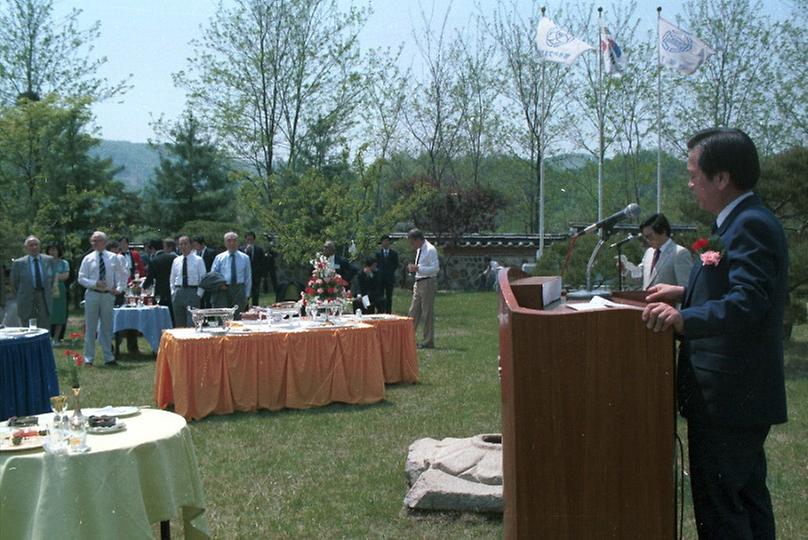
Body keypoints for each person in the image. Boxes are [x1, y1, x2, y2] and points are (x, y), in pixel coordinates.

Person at [642, 128, 787, 540]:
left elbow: (749, 302)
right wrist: (684, 292)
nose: (690, 185)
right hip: (733, 398)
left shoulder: (750, 225)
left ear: (721, 177)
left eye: (693, 175)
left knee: (723, 509)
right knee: (746, 499)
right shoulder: (736, 221)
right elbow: (725, 282)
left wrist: (684, 319)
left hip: (729, 398)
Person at [78, 231, 125, 366]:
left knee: (107, 327)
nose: (95, 243)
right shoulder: (88, 258)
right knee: (90, 327)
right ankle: (88, 358)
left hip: (108, 295)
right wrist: (95, 283)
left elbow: (122, 274)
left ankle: (108, 357)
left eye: (97, 240)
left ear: (104, 242)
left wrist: (120, 288)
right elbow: (81, 278)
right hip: (92, 294)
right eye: (93, 241)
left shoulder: (113, 258)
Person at [638, 213, 693, 290]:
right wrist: (625, 270)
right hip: (646, 301)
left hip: (668, 301)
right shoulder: (649, 253)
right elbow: (640, 277)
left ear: (662, 231)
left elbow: (686, 288)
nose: (647, 240)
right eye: (645, 237)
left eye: (649, 236)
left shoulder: (680, 253)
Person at [10, 236, 55, 329]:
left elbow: (52, 279)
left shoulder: (49, 260)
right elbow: (14, 283)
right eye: (31, 245)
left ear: (39, 246)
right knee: (27, 328)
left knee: (44, 326)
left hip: (43, 296)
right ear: (26, 248)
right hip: (26, 298)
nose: (34, 247)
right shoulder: (18, 263)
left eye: (36, 245)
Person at [406, 229, 439, 349]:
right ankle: (409, 338)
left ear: (418, 239)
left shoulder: (430, 250)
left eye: (412, 242)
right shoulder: (419, 250)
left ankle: (428, 340)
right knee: (413, 311)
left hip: (427, 282)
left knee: (427, 312)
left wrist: (418, 268)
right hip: (418, 282)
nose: (412, 245)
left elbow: (435, 269)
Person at [211, 231, 251, 316]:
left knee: (238, 316)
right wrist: (219, 285)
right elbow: (213, 275)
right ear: (225, 243)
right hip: (223, 289)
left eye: (234, 240)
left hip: (239, 289)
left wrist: (247, 295)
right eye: (229, 240)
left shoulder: (245, 258)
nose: (232, 243)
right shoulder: (219, 258)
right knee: (224, 316)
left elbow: (248, 277)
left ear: (238, 242)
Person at [170, 236, 206, 327]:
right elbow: (172, 278)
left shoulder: (198, 260)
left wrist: (199, 294)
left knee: (192, 323)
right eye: (181, 244)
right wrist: (173, 292)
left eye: (185, 243)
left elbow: (203, 278)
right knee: (179, 323)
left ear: (191, 245)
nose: (183, 246)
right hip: (179, 292)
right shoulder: (176, 260)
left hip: (193, 292)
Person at [143, 238, 177, 323]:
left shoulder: (154, 260)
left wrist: (143, 287)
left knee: (160, 316)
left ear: (153, 248)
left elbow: (150, 278)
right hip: (173, 289)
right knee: (172, 315)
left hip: (160, 291)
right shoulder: (173, 257)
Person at [46, 244, 70, 344]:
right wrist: (56, 276)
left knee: (60, 314)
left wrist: (53, 277)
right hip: (47, 290)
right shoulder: (44, 262)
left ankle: (56, 338)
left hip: (60, 290)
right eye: (50, 250)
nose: (52, 252)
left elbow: (65, 275)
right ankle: (47, 337)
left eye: (54, 250)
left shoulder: (64, 263)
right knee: (47, 314)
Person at [375, 235, 399, 313]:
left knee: (389, 296)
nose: (385, 243)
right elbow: (376, 265)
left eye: (387, 241)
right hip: (380, 278)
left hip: (389, 278)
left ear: (389, 243)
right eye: (384, 241)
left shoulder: (394, 254)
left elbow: (396, 264)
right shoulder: (378, 254)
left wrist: (390, 272)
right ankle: (380, 311)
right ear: (381, 243)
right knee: (380, 295)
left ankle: (388, 311)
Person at [242, 231, 266, 307]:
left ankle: (255, 308)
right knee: (245, 293)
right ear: (245, 240)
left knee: (255, 293)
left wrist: (261, 275)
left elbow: (262, 263)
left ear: (254, 240)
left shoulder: (259, 250)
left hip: (256, 275)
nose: (249, 241)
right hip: (244, 276)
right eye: (248, 239)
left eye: (251, 239)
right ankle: (245, 308)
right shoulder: (241, 250)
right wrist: (246, 251)